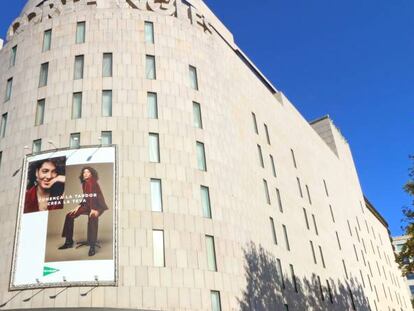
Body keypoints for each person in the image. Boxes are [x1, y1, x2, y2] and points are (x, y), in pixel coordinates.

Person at [58, 166, 108, 256]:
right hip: (88, 205)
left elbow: (93, 197)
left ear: (91, 174)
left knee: (93, 218)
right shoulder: (85, 183)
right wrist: (79, 205)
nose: (85, 174)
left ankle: (92, 245)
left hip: (97, 206)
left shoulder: (92, 182)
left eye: (87, 172)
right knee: (69, 215)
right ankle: (69, 242)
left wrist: (93, 210)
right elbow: (86, 197)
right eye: (84, 172)